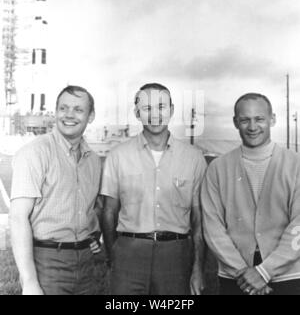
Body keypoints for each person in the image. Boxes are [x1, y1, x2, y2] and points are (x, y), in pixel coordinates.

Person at [101, 83, 207, 295]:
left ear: (172, 110)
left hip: (175, 256)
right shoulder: (118, 156)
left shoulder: (194, 158)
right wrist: (115, 255)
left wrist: (198, 267)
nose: (155, 114)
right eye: (147, 108)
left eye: (161, 106)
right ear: (137, 113)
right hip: (129, 253)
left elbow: (199, 219)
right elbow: (108, 212)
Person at [202, 93, 300, 295]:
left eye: (260, 119)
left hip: (288, 274)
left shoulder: (295, 164)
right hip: (236, 277)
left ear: (272, 119)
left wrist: (264, 271)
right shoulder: (218, 168)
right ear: (235, 122)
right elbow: (213, 226)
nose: (253, 127)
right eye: (245, 120)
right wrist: (242, 271)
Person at [10, 86, 102, 295]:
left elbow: (90, 209)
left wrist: (93, 236)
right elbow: (17, 218)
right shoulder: (34, 153)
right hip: (47, 261)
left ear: (91, 116)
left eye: (78, 109)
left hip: (86, 263)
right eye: (63, 108)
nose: (69, 114)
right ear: (56, 112)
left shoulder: (94, 161)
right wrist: (30, 282)